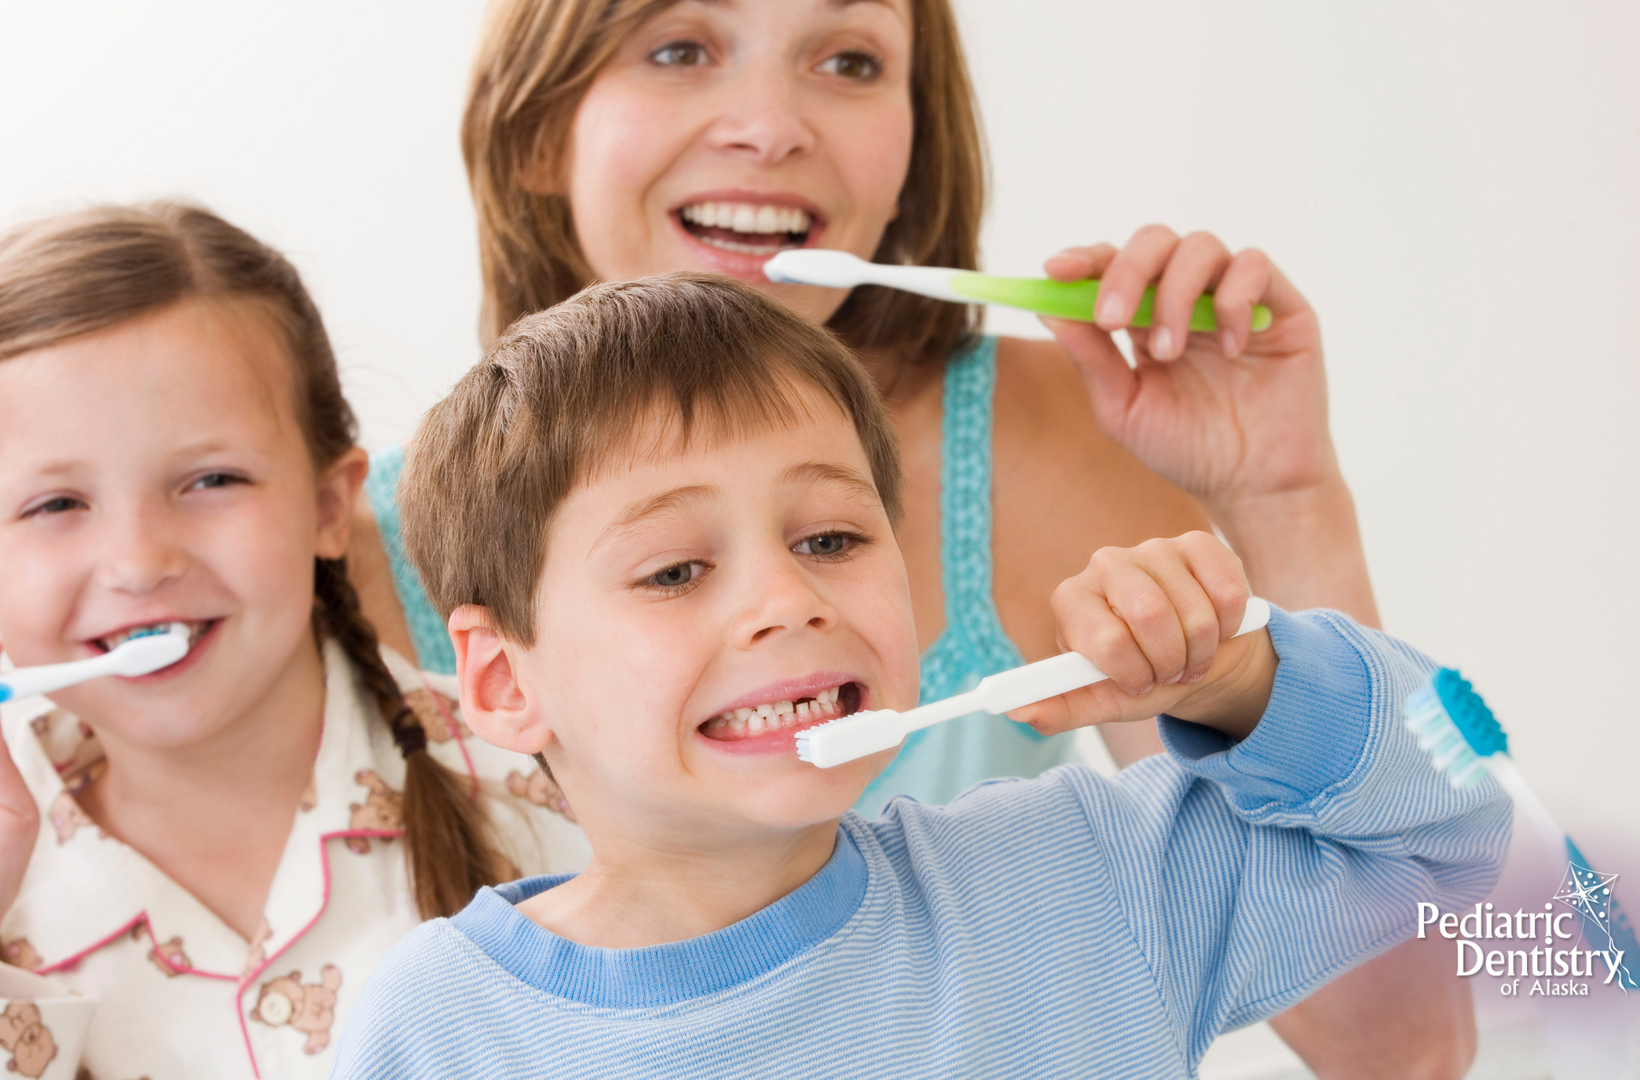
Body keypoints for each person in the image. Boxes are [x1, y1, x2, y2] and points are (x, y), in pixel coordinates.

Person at [343, 0, 1463, 1073]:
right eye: (681, 46)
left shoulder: (1081, 875)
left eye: (849, 59)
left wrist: (1277, 540)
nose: (773, 126)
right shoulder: (435, 1018)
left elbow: (1409, 1010)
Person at [0, 203, 587, 1079]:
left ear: (328, 505)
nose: (139, 561)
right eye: (57, 505)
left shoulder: (570, 790)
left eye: (211, 480)